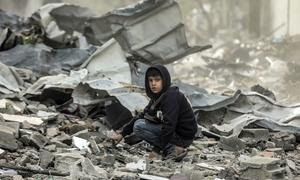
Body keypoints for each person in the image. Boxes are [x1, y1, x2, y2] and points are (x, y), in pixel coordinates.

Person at [111, 65, 197, 161]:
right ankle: (170, 147)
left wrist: (156, 150)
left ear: (165, 80)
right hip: (175, 133)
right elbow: (143, 114)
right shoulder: (158, 97)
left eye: (157, 80)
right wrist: (122, 133)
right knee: (139, 123)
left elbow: (169, 125)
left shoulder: (171, 96)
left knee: (139, 126)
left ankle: (173, 148)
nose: (153, 84)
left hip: (182, 136)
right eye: (150, 80)